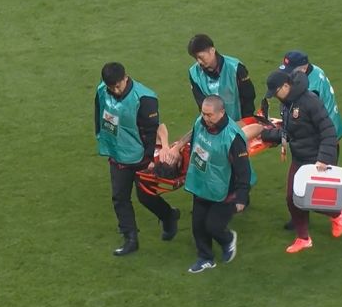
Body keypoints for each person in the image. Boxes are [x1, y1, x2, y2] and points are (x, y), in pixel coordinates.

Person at [94, 62, 181, 256]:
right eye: (111, 87)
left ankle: (169, 216)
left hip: (140, 157)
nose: (115, 90)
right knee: (119, 197)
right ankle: (130, 238)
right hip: (117, 154)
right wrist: (101, 137)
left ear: (126, 78)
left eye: (118, 86)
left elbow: (151, 130)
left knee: (146, 196)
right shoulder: (102, 91)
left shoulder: (144, 98)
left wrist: (149, 158)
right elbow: (98, 113)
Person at [260, 70, 342, 254]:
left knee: (315, 200)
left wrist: (324, 158)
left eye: (276, 92)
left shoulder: (310, 101)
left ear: (286, 86)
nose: (275, 96)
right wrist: (267, 134)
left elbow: (328, 130)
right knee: (292, 199)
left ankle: (337, 213)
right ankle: (303, 238)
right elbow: (291, 131)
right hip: (299, 158)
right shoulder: (286, 105)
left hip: (316, 160)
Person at [173, 95, 252, 273]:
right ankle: (205, 258)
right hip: (200, 184)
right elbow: (194, 144)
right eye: (203, 113)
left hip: (223, 190)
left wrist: (241, 197)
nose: (205, 118)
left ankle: (227, 239)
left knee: (213, 227)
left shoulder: (233, 137)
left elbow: (243, 169)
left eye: (210, 115)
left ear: (221, 113)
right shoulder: (200, 123)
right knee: (198, 226)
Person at [185, 34, 260, 206]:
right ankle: (209, 197)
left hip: (237, 124)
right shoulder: (194, 73)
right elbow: (201, 102)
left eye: (201, 57)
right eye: (196, 58)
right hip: (211, 125)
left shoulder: (235, 68)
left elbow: (248, 96)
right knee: (212, 160)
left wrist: (245, 122)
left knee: (236, 160)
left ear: (212, 51)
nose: (199, 62)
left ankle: (239, 196)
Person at [277, 50, 342, 231]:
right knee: (299, 189)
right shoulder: (315, 72)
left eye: (291, 71)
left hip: (321, 141)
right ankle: (301, 220)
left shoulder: (309, 89)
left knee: (317, 191)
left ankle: (336, 213)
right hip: (319, 135)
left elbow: (310, 120)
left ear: (303, 68)